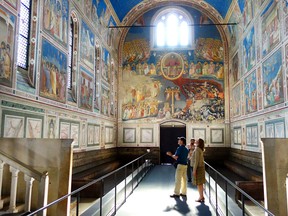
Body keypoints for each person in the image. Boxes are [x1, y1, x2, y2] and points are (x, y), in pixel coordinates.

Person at [192, 138, 205, 202]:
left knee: (199, 183)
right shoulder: (200, 149)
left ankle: (201, 197)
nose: (195, 141)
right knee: (200, 183)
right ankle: (201, 196)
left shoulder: (197, 149)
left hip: (198, 168)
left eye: (196, 141)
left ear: (199, 143)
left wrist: (194, 170)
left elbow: (196, 160)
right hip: (201, 167)